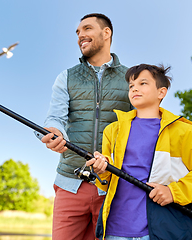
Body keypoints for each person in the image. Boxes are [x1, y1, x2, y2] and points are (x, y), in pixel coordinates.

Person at [86, 64, 192, 240]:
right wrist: (102, 169)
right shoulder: (113, 131)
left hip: (162, 231)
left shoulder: (183, 131)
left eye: (143, 83)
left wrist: (174, 192)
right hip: (115, 230)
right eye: (131, 85)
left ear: (161, 92)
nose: (134, 88)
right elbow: (105, 182)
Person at [40, 13, 132, 239]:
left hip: (113, 188)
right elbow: (55, 117)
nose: (81, 35)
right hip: (69, 184)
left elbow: (140, 129)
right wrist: (54, 132)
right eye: (78, 32)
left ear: (106, 33)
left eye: (87, 29)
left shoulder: (132, 78)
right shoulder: (66, 77)